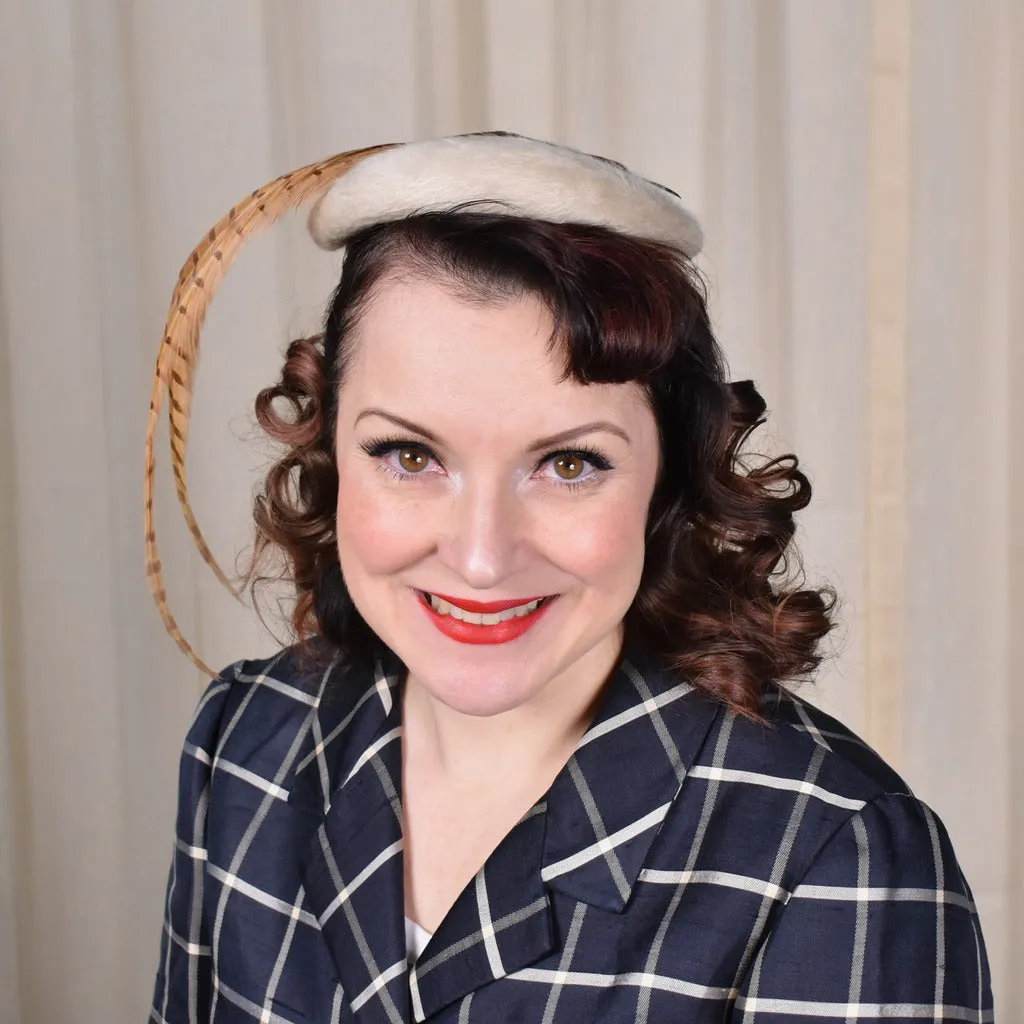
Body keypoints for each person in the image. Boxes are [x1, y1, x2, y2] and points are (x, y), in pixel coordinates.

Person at [146, 133, 993, 1023]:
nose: (481, 557)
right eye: (407, 454)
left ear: (668, 481)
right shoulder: (244, 747)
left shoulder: (836, 859)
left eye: (570, 464)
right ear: (329, 451)